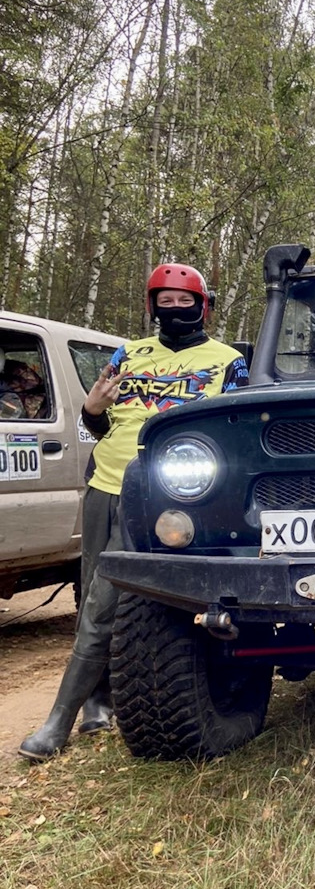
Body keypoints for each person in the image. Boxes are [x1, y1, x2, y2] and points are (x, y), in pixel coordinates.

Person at [18, 263, 249, 761]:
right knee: (91, 599)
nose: (173, 309)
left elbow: (234, 432)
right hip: (106, 484)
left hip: (172, 493)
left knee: (108, 603)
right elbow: (97, 425)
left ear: (203, 305)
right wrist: (92, 409)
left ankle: (55, 724)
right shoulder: (130, 353)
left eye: (183, 301)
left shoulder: (228, 362)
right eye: (162, 302)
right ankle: (95, 705)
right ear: (151, 306)